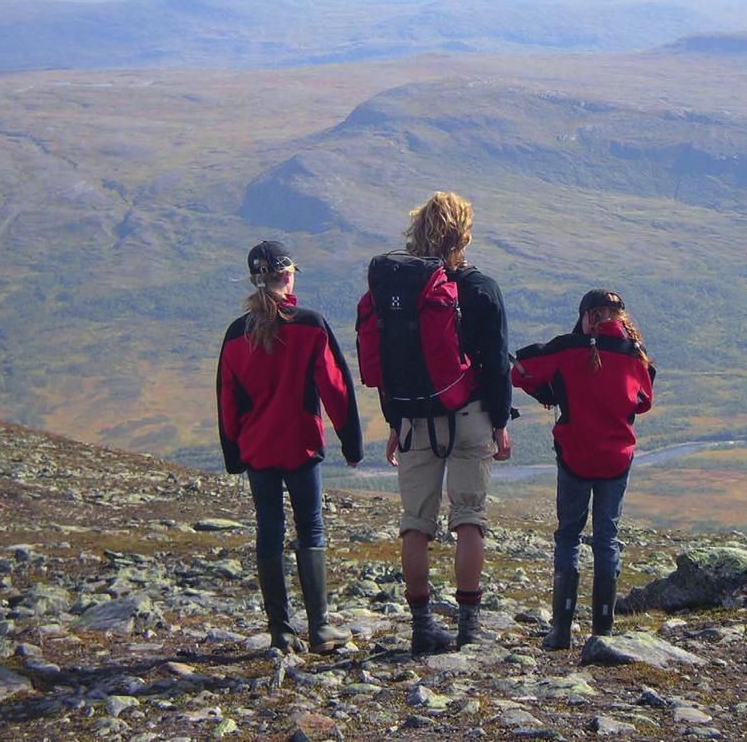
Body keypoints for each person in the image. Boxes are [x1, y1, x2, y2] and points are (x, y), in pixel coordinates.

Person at [382, 191, 512, 654]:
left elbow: (388, 362)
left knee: (416, 523)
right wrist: (499, 421)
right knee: (469, 519)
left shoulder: (399, 289)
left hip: (414, 416)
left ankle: (421, 626)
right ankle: (469, 627)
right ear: (464, 233)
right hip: (470, 416)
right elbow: (496, 364)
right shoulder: (481, 289)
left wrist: (395, 420)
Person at [217, 240, 362, 654]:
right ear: (288, 275)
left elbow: (227, 401)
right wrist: (351, 445)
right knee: (310, 528)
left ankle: (280, 631)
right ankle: (319, 629)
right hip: (300, 447)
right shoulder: (310, 325)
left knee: (269, 532)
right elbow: (336, 387)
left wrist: (234, 455)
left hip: (258, 450)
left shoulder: (234, 336)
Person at [511, 289, 654, 649]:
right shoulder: (636, 355)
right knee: (607, 538)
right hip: (616, 458)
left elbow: (520, 369)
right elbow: (645, 401)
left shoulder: (567, 348)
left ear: (588, 316)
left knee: (568, 536)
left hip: (574, 455)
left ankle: (560, 630)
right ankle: (602, 632)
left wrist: (550, 391)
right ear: (620, 317)